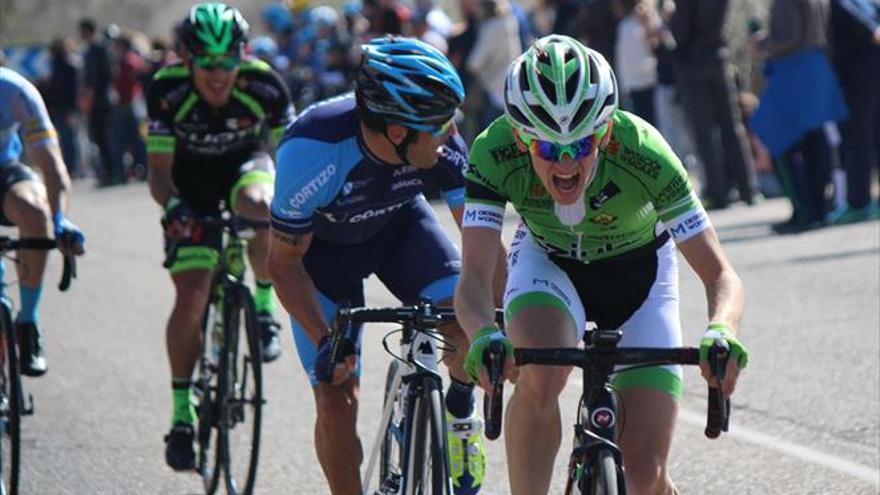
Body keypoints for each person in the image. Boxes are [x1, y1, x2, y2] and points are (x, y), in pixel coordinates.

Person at [454, 35, 749, 494]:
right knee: (540, 377)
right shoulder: (493, 152)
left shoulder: (645, 151)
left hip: (640, 276)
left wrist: (722, 329)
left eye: (584, 145)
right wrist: (484, 334)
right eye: (550, 150)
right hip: (549, 265)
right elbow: (473, 275)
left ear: (607, 132)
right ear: (520, 137)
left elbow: (719, 273)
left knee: (644, 478)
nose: (568, 163)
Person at [267, 37, 504, 495]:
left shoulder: (444, 145)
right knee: (335, 399)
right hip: (323, 255)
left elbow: (486, 246)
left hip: (400, 229)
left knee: (460, 320)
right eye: (438, 124)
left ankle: (459, 412)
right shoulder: (311, 148)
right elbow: (282, 263)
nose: (451, 131)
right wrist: (325, 340)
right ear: (398, 131)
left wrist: (504, 327)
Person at [148, 2, 295, 471]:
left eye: (228, 60)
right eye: (207, 63)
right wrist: (174, 210)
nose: (218, 74)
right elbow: (158, 174)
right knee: (191, 294)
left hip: (244, 170)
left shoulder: (265, 85)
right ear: (186, 59)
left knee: (259, 207)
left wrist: (295, 212)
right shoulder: (167, 91)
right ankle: (181, 414)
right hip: (187, 187)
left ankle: (265, 307)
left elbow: (292, 157)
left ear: (241, 57)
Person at [0, 65, 86, 377]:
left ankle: (28, 322)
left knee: (36, 210)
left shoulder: (15, 91)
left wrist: (60, 218)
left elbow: (52, 166)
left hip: (4, 172)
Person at [670, 0, 759, 209]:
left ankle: (718, 192)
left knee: (705, 132)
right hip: (719, 57)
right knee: (732, 127)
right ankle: (748, 187)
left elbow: (681, 30)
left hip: (693, 64)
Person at [79, 18, 121, 186]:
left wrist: (87, 104)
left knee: (103, 139)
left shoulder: (94, 50)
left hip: (100, 102)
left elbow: (92, 82)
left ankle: (111, 173)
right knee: (107, 138)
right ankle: (114, 172)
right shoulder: (104, 48)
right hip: (108, 99)